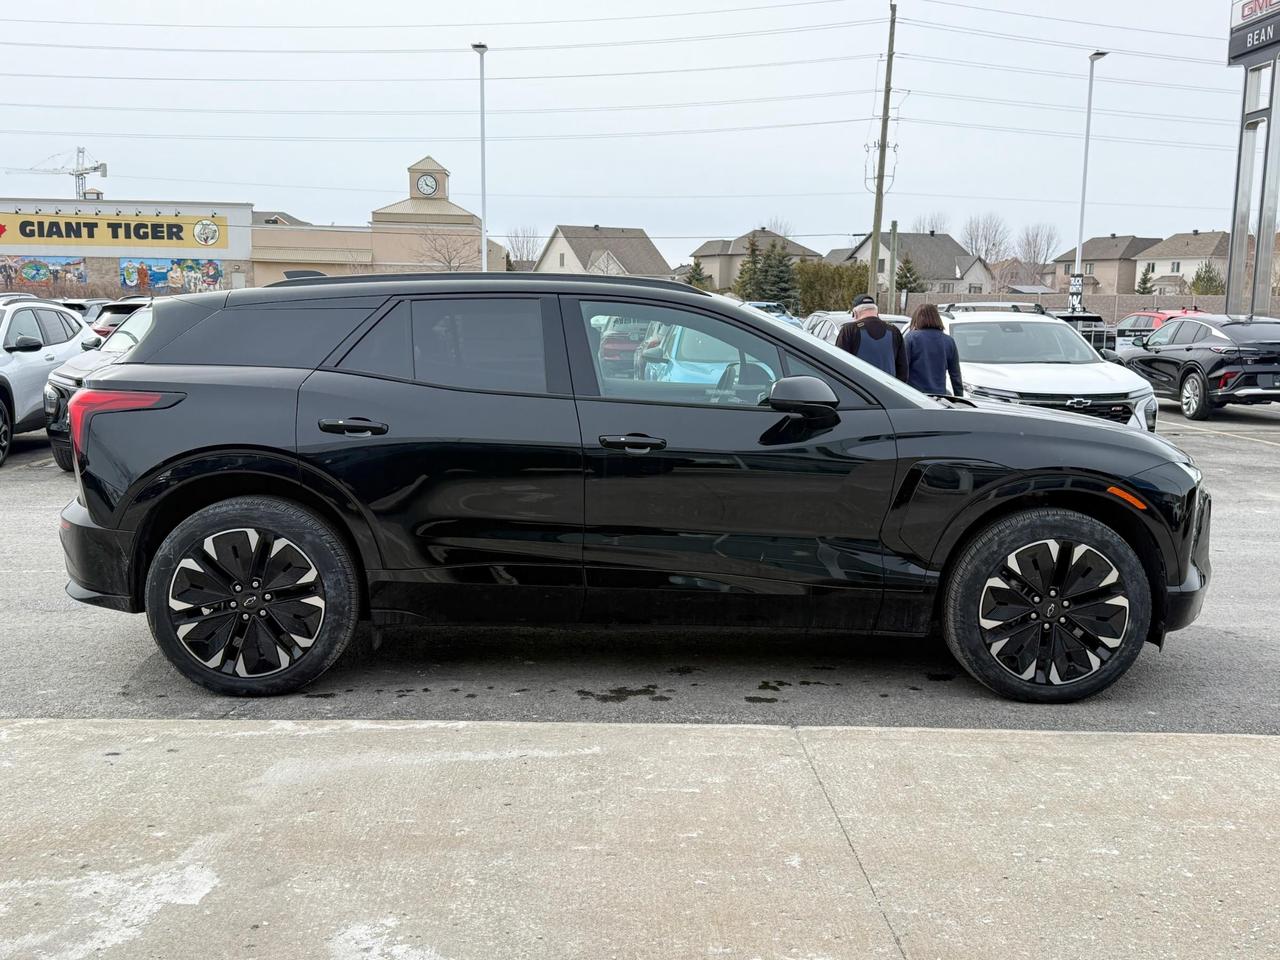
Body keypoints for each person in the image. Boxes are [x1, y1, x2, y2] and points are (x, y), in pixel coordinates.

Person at [834, 294, 908, 381]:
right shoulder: (894, 331)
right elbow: (903, 369)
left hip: (859, 389)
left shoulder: (849, 330)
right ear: (876, 312)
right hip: (888, 389)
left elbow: (839, 363)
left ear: (855, 313)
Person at [904, 303, 964, 397]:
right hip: (939, 397)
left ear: (917, 319)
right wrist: (960, 397)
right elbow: (955, 375)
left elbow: (903, 369)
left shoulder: (911, 338)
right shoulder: (949, 341)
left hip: (914, 396)